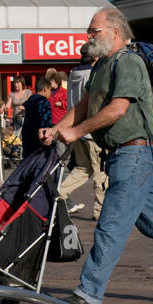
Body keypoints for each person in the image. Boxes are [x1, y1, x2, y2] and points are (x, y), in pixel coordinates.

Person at [46, 8, 153, 304]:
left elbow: (118, 108)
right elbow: (84, 106)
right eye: (89, 32)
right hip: (123, 156)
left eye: (95, 31)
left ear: (115, 32)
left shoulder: (128, 62)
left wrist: (77, 132)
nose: (89, 37)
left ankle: (88, 292)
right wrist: (56, 130)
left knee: (111, 224)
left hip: (133, 153)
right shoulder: (102, 65)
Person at [57, 42, 106, 218]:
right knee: (100, 172)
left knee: (83, 168)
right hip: (93, 129)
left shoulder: (73, 73)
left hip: (76, 128)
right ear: (95, 57)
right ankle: (99, 210)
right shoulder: (94, 73)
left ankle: (60, 193)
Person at [20, 80, 52, 159]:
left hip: (27, 136)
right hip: (40, 137)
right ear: (45, 89)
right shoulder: (43, 102)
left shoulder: (30, 101)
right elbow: (45, 120)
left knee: (28, 163)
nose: (50, 93)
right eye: (50, 90)